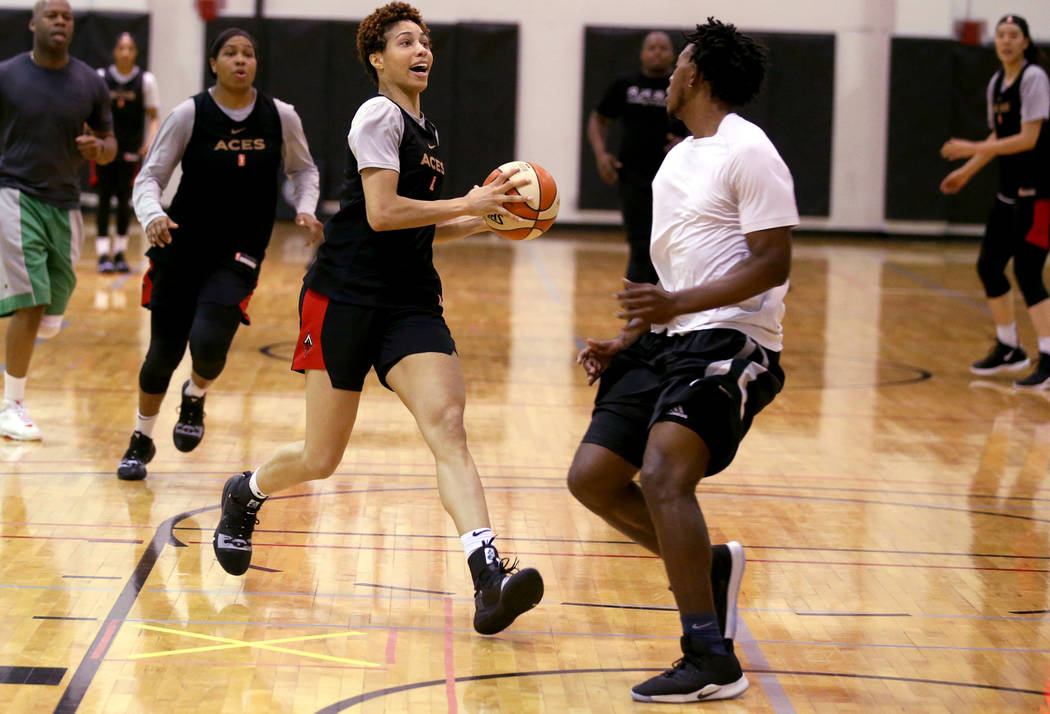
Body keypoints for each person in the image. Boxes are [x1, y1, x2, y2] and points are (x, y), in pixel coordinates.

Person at [210, 2, 544, 637]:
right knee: (321, 456)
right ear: (377, 58)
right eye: (404, 42)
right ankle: (246, 493)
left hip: (410, 302)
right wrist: (465, 202)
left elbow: (416, 234)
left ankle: (487, 575)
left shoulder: (426, 132)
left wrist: (490, 221)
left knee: (448, 425)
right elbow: (384, 214)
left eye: (425, 42)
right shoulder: (377, 115)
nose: (421, 52)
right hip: (345, 296)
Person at [568, 18, 796, 703]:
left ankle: (709, 653)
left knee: (666, 472)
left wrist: (674, 307)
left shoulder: (748, 151)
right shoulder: (678, 158)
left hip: (735, 341)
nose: (666, 76)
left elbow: (773, 261)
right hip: (666, 342)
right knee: (593, 479)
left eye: (677, 65)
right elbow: (669, 277)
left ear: (696, 74)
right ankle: (710, 569)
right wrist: (629, 338)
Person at [117, 28, 322, 480]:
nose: (240, 60)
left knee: (209, 346)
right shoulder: (190, 113)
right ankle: (141, 437)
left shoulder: (280, 116)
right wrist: (151, 214)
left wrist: (305, 208)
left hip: (240, 252)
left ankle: (195, 395)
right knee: (160, 358)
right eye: (230, 53)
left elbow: (303, 170)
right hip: (180, 247)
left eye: (249, 53)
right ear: (214, 62)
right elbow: (149, 177)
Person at [0, 0, 115, 441]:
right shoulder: (8, 76)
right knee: (32, 300)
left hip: (65, 201)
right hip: (15, 193)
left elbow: (108, 140)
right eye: (52, 15)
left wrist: (99, 149)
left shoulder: (90, 81)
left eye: (67, 16)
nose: (60, 21)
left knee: (55, 300)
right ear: (33, 23)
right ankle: (12, 405)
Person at [941, 14, 1050, 389]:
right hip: (1009, 193)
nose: (1006, 41)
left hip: (1040, 193)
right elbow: (998, 134)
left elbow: (1027, 138)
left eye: (1013, 35)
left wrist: (971, 147)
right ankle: (1009, 347)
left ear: (1025, 42)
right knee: (989, 265)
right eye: (1001, 35)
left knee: (1028, 272)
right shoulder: (996, 84)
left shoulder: (1034, 78)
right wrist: (968, 171)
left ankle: (1049, 358)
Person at [587, 31, 687, 284]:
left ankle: (665, 309)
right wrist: (601, 155)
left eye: (663, 48)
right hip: (633, 178)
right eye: (651, 47)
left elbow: (700, 127)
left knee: (669, 246)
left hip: (674, 180)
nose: (657, 52)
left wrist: (687, 142)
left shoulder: (679, 87)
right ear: (642, 53)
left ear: (672, 55)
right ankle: (638, 313)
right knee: (641, 246)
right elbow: (598, 119)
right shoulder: (626, 85)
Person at [95, 32, 160, 274]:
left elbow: (154, 117)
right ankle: (102, 254)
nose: (125, 52)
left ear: (135, 52)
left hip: (131, 149)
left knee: (124, 200)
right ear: (114, 52)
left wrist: (150, 141)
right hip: (105, 148)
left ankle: (120, 252)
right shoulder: (101, 77)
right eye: (121, 47)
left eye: (130, 48)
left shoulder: (145, 81)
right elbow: (91, 113)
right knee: (104, 199)